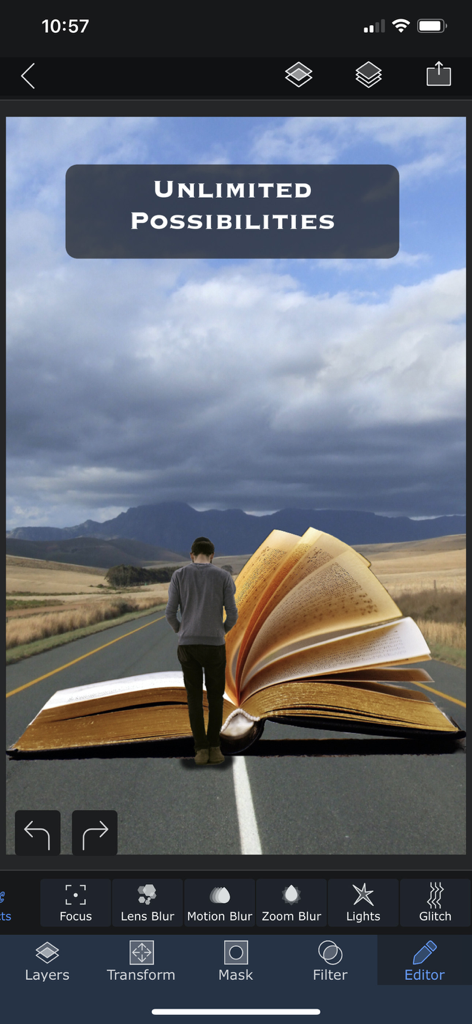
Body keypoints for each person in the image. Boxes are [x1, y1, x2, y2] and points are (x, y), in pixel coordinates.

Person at [165, 536, 238, 765]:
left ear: (192, 555)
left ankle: (200, 750)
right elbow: (233, 614)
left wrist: (181, 630)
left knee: (194, 698)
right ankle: (215, 748)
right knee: (216, 698)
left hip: (188, 646)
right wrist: (221, 631)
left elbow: (170, 613)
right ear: (212, 556)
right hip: (214, 645)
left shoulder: (179, 576)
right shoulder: (223, 576)